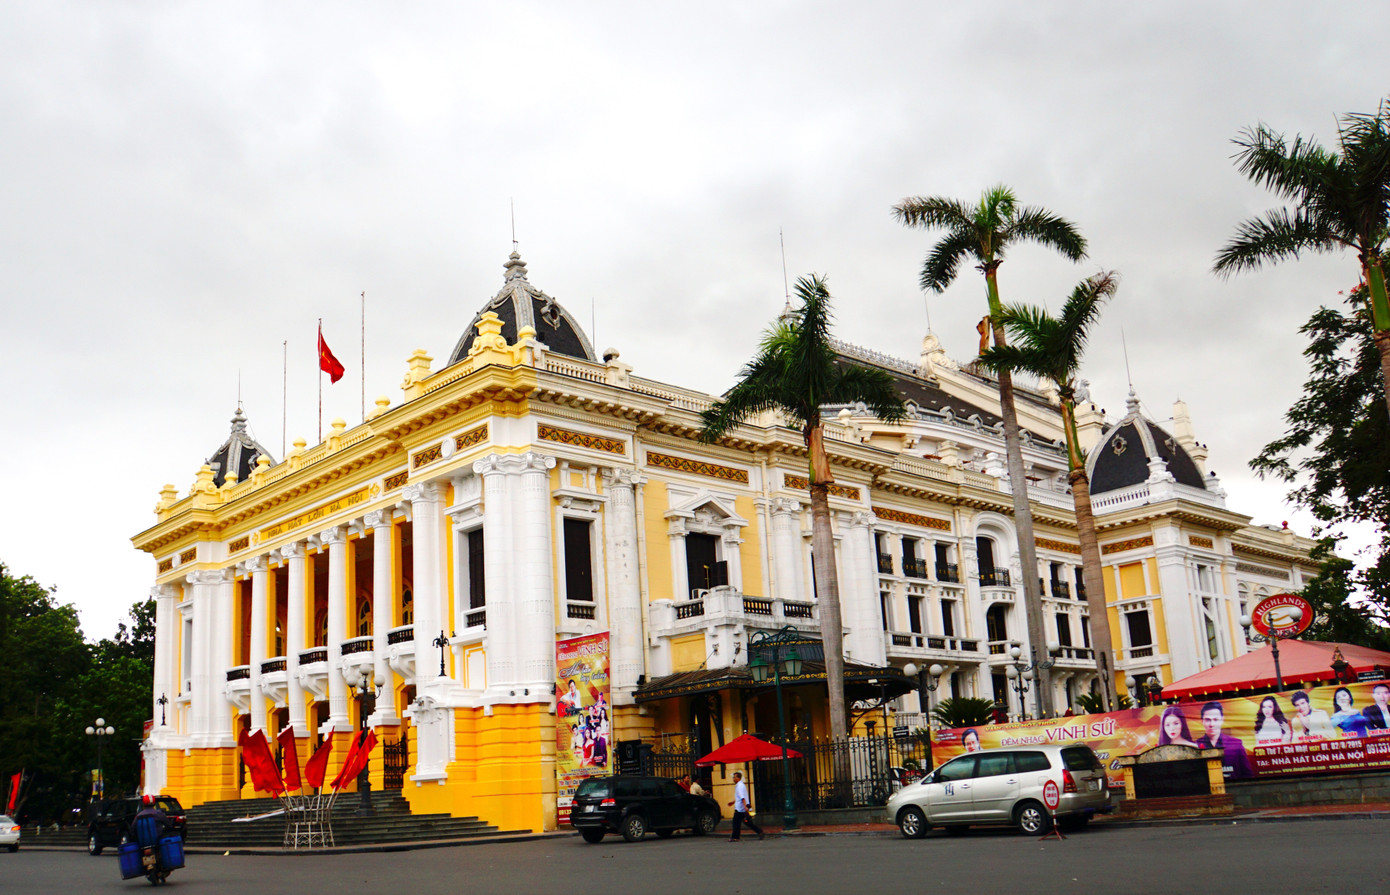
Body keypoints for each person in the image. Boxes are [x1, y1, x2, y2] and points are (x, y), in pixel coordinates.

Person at [1196, 702, 1254, 779]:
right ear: (1202, 721)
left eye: (1215, 719)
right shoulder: (1195, 746)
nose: (1212, 724)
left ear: (1222, 720)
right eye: (1207, 720)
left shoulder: (1236, 744)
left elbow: (1248, 774)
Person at [726, 771, 763, 841]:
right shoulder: (740, 785)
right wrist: (733, 802)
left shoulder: (739, 786)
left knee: (736, 822)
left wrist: (745, 806)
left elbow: (742, 797)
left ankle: (735, 837)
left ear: (738, 778)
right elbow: (739, 797)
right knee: (748, 822)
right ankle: (759, 831)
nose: (733, 779)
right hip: (741, 807)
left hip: (740, 808)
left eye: (734, 777)